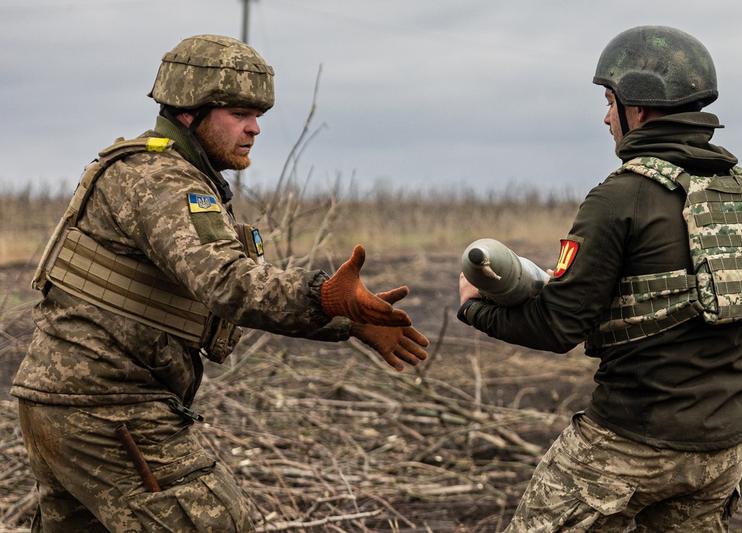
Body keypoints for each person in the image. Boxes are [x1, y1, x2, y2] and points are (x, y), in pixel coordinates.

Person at [12, 34, 429, 532]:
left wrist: (345, 318)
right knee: (217, 522)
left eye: (258, 115)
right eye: (238, 113)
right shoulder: (161, 181)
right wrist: (323, 295)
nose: (254, 128)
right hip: (108, 409)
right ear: (189, 111)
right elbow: (227, 283)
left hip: (69, 402)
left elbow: (195, 303)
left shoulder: (163, 174)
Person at [458, 25, 742, 531]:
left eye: (610, 101)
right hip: (722, 451)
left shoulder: (620, 197)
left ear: (639, 107)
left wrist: (473, 305)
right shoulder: (738, 192)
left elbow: (557, 327)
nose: (606, 115)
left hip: (630, 445)